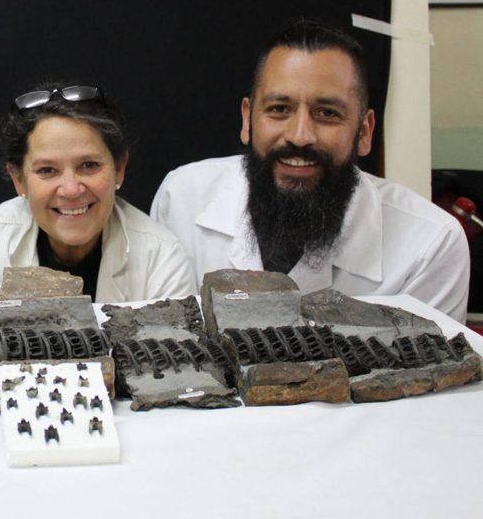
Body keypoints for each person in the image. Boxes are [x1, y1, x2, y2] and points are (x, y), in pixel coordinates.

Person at [151, 20, 470, 322]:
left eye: (327, 113)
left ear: (364, 132)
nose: (300, 135)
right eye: (279, 109)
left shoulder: (429, 246)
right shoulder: (181, 198)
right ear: (248, 120)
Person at [0, 82, 197, 306]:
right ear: (19, 180)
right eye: (47, 170)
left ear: (119, 169)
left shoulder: (162, 258)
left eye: (89, 165)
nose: (71, 190)